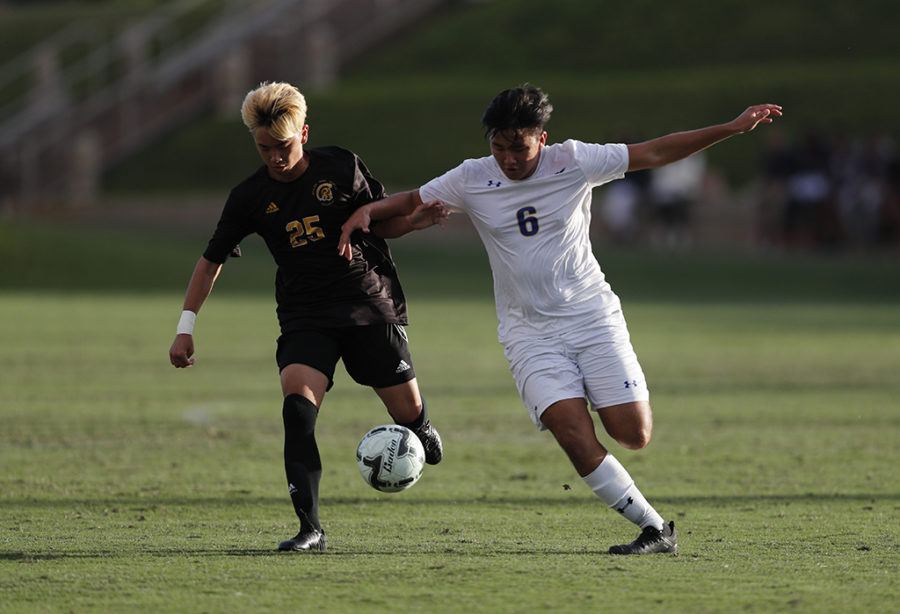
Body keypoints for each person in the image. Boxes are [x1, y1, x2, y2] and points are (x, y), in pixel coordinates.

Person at [338, 84, 782, 555]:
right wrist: (367, 211)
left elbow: (654, 152)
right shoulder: (472, 176)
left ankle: (600, 394)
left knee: (634, 434)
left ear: (542, 139)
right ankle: (655, 529)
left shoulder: (574, 160)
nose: (508, 158)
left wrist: (732, 129)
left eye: (519, 147)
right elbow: (403, 208)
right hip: (528, 333)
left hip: (591, 317)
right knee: (571, 432)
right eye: (499, 146)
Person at [168, 81, 446, 553]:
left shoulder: (341, 165)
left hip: (365, 302)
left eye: (284, 146)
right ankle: (310, 528)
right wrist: (185, 328)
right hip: (305, 315)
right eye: (264, 148)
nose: (275, 157)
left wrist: (412, 223)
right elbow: (210, 260)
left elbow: (380, 223)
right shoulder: (249, 196)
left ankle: (419, 426)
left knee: (406, 411)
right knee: (297, 411)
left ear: (304, 132)